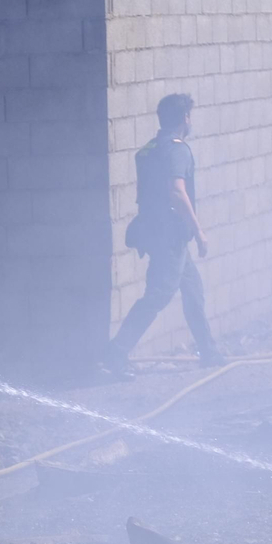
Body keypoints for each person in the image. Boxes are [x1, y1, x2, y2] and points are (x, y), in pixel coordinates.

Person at [101, 93, 221, 378]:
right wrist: (199, 232)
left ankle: (208, 351)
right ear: (184, 118)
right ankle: (115, 353)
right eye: (190, 116)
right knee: (158, 295)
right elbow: (177, 192)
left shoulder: (149, 148)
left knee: (193, 290)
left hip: (156, 231)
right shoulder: (177, 150)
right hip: (170, 236)